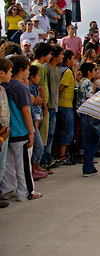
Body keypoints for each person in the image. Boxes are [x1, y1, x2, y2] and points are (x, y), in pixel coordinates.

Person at [0, 55, 42, 201]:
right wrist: (31, 132)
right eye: (27, 70)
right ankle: (26, 193)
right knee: (23, 165)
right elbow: (25, 111)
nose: (28, 73)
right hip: (21, 131)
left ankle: (7, 189)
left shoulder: (4, 86)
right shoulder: (21, 88)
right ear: (21, 70)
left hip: (7, 132)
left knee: (8, 164)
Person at [0, 57, 12, 208]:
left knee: (2, 165)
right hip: (1, 131)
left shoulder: (2, 88)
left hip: (5, 131)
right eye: (9, 72)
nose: (11, 74)